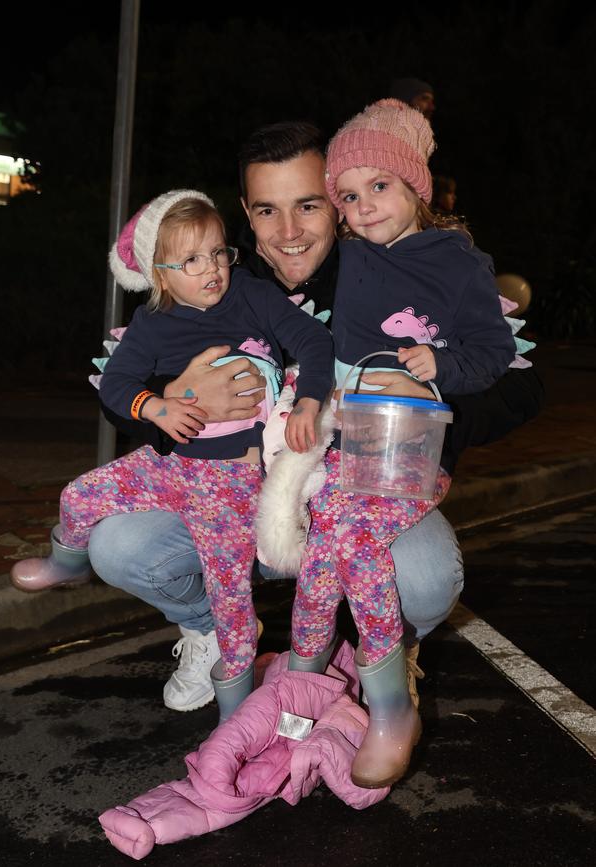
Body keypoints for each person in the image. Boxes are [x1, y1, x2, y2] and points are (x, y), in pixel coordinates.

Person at [86, 121, 542, 716]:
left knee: (427, 578)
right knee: (118, 542)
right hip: (235, 504)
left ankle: (381, 649)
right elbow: (119, 379)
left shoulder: (389, 269)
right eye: (268, 211)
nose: (290, 232)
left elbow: (524, 384)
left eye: (309, 205)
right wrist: (173, 399)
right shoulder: (216, 281)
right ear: (245, 215)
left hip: (359, 501)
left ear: (339, 203)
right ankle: (209, 632)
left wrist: (424, 399)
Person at [10, 189, 333, 721]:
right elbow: (116, 386)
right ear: (161, 276)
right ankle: (64, 563)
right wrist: (156, 407)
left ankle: (236, 715)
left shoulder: (252, 295)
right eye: (191, 261)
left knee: (231, 604)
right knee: (79, 494)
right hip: (169, 466)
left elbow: (316, 343)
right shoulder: (154, 323)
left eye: (217, 252)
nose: (211, 269)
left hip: (231, 484)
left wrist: (309, 403)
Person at [278, 98, 516, 789]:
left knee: (358, 553)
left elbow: (493, 350)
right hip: (343, 452)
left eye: (379, 186)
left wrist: (442, 367)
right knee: (325, 551)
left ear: (416, 184)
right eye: (348, 196)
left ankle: (388, 710)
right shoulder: (347, 258)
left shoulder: (459, 262)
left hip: (408, 454)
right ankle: (301, 688)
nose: (364, 206)